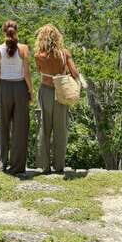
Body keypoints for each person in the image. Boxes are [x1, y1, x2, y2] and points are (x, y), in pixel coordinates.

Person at [34, 24, 80, 173]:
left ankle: (45, 166)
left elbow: (40, 71)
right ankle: (59, 166)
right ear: (57, 37)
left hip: (45, 91)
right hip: (61, 92)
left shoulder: (38, 56)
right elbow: (75, 73)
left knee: (44, 128)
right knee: (60, 130)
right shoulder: (64, 53)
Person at [0, 20, 32, 174]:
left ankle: (1, 164)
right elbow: (27, 74)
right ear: (16, 31)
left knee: (3, 126)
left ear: (4, 32)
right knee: (20, 129)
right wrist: (30, 91)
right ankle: (17, 167)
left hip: (4, 88)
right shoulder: (24, 49)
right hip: (20, 88)